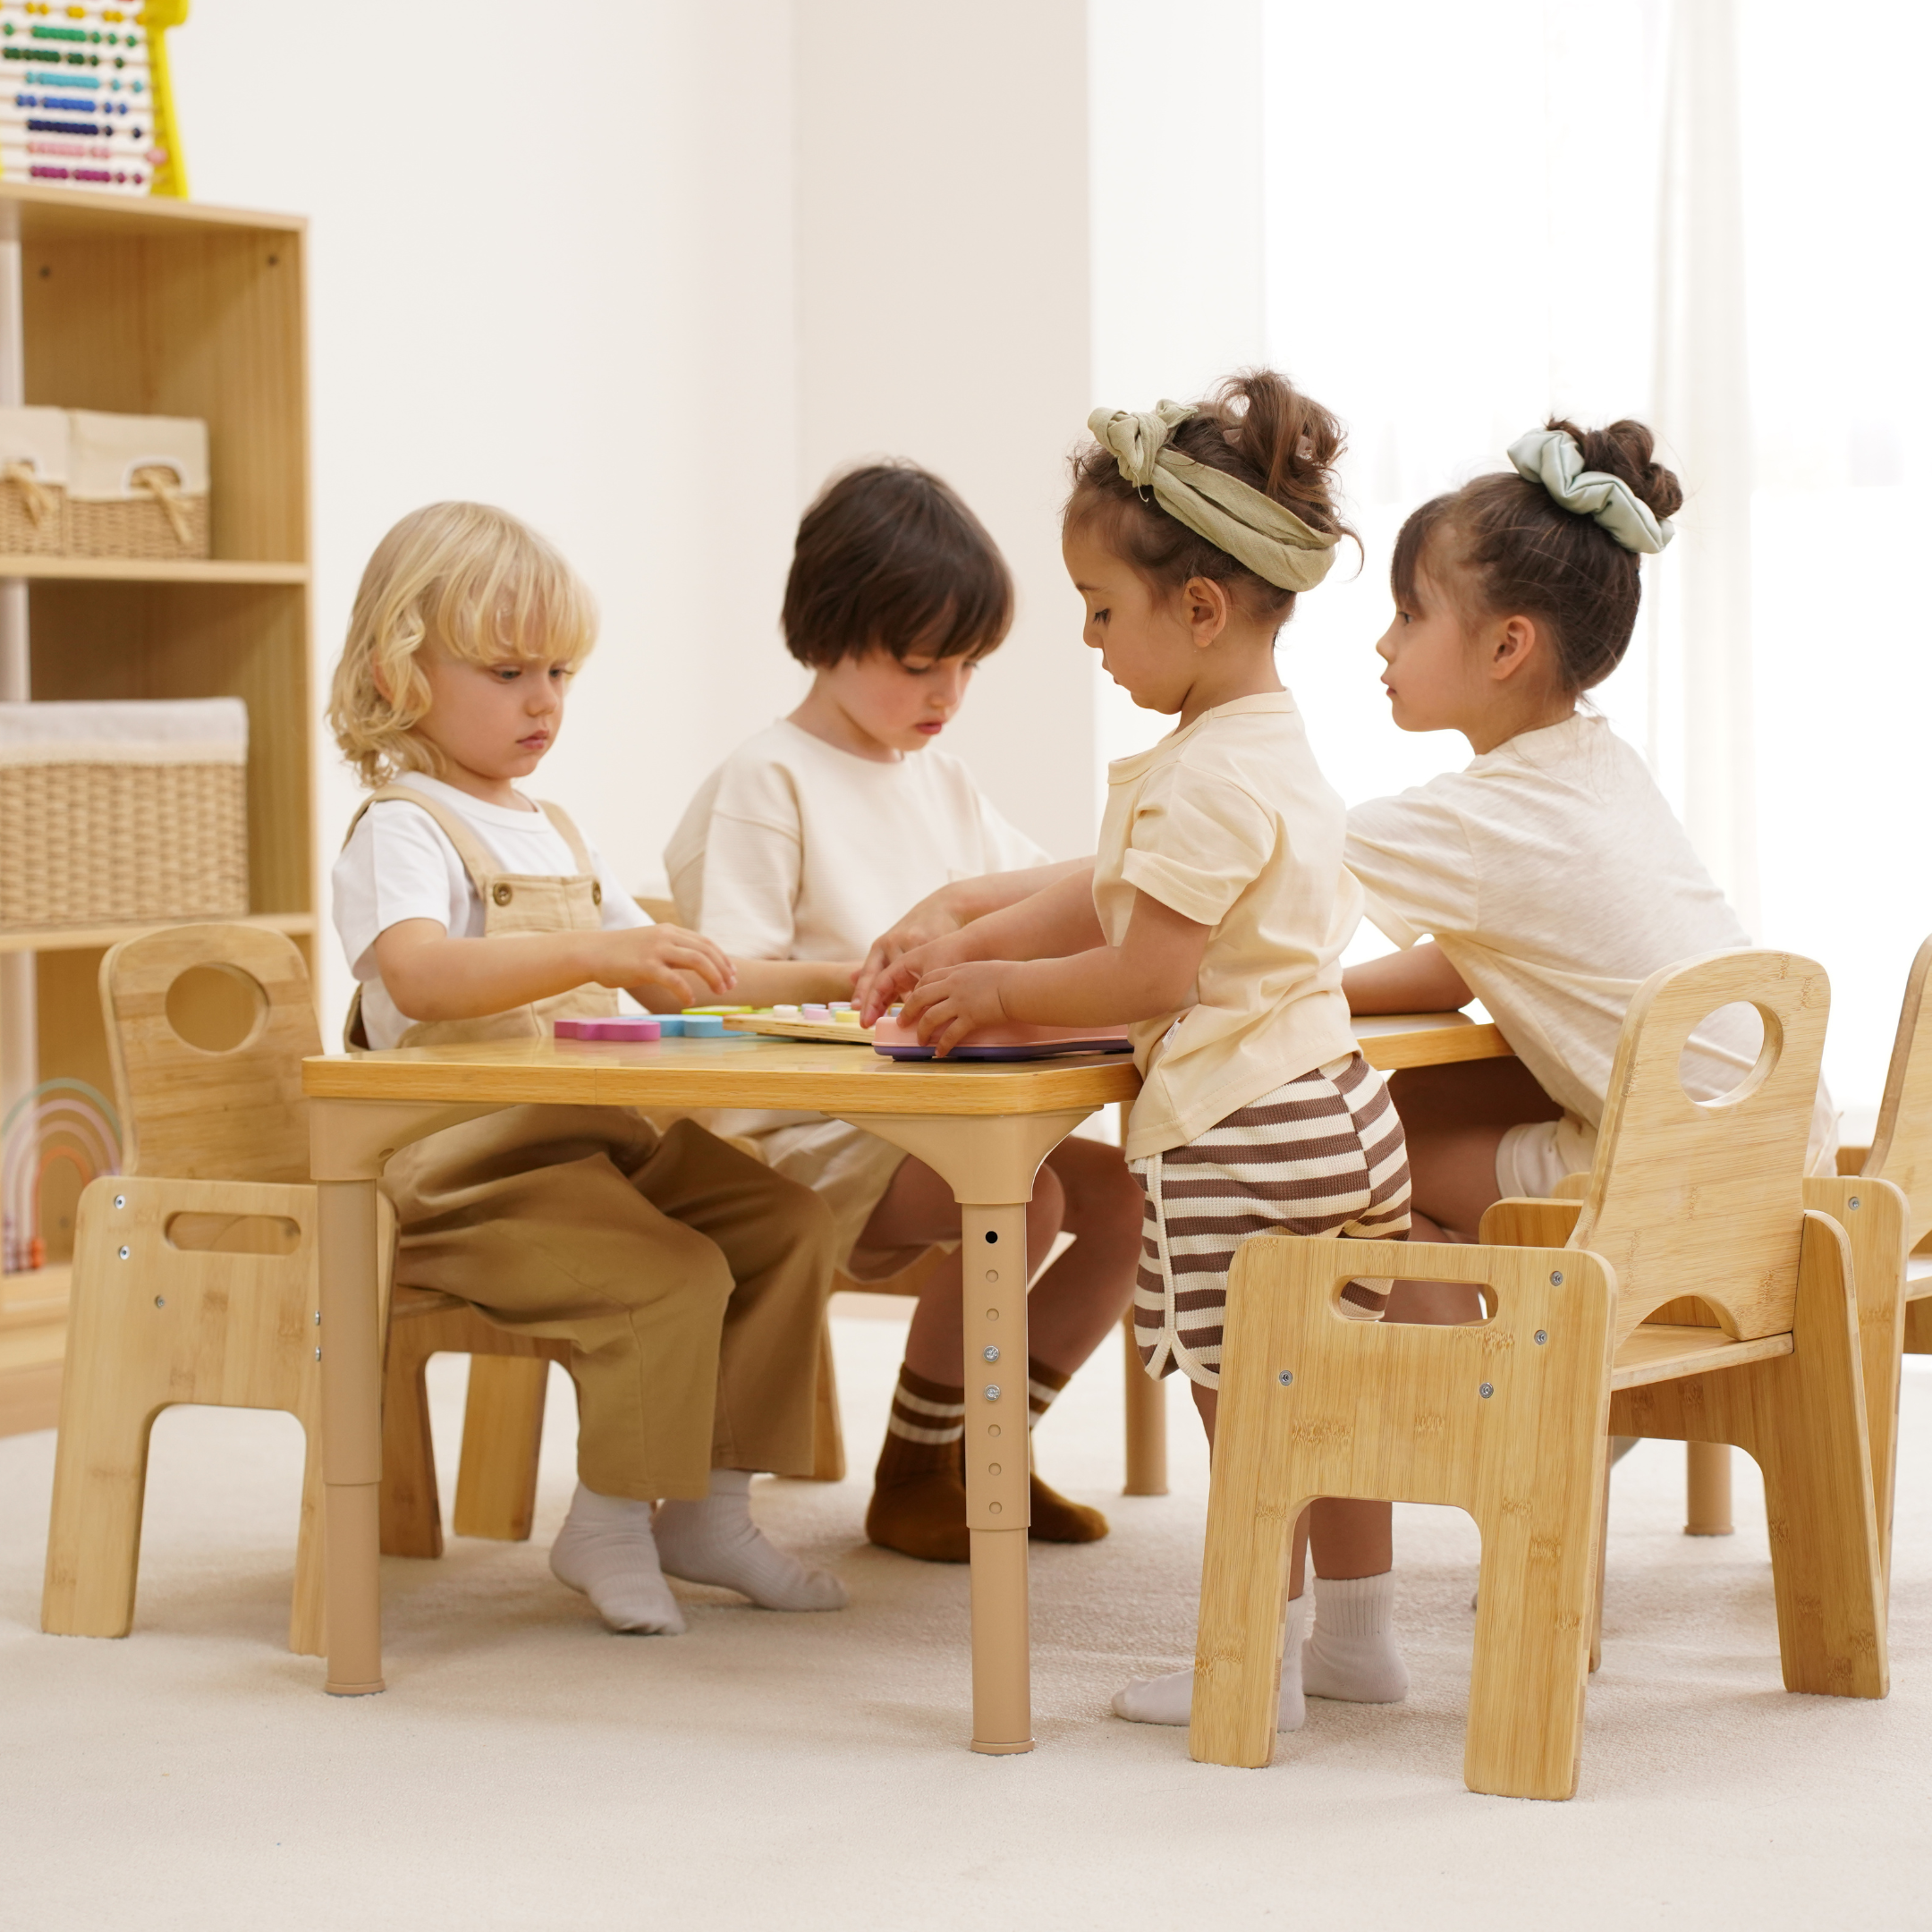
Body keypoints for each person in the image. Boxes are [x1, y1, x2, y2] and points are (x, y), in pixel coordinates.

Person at [863, 374, 1413, 1729]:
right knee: (1326, 1396)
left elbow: (1147, 968)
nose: (1095, 643)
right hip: (1339, 1109)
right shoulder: (1264, 749)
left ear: (1201, 609)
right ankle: (1356, 1639)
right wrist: (975, 931)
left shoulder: (1206, 775)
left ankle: (1254, 1667)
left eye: (1103, 612)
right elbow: (1118, 893)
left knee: (1254, 1418)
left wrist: (994, 992)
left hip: (1245, 1133)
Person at [327, 500, 850, 1636]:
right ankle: (605, 1522)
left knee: (785, 1222)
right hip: (464, 1173)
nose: (544, 701)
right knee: (665, 1273)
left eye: (561, 671)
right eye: (509, 670)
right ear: (398, 669)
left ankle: (711, 1508)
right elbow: (419, 976)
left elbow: (688, 972)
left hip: (594, 1147)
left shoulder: (554, 828)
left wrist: (854, 977)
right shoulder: (404, 828)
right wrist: (598, 950)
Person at [665, 461, 1141, 1563]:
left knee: (1129, 1202)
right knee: (1018, 1194)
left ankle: (983, 1449)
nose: (947, 697)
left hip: (930, 1113)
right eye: (921, 665)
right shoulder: (766, 780)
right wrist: (869, 978)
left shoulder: (945, 785)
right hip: (793, 1133)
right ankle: (917, 1473)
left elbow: (1050, 900)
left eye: (968, 667)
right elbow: (720, 980)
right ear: (828, 633)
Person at [1343, 418, 1836, 1292]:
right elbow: (1460, 969)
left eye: (1410, 614)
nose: (1385, 642)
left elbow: (1243, 861)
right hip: (1785, 1157)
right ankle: (1542, 1383)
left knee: (1361, 1158)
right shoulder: (1597, 766)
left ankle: (1530, 1395)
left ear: (1506, 646)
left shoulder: (1484, 817)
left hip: (1687, 1193)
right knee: (1419, 1113)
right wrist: (1321, 989)